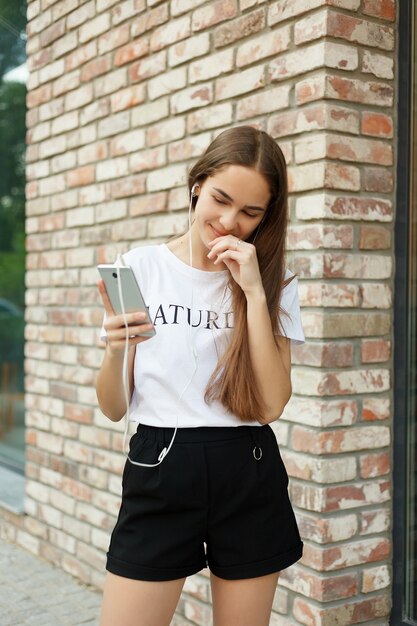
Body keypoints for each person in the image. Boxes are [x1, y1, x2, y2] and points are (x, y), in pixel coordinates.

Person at [96, 126, 305, 626]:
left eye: (250, 213)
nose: (230, 222)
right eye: (221, 199)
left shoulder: (276, 282)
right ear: (198, 185)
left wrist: (254, 293)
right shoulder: (140, 267)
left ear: (267, 217)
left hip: (247, 468)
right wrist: (116, 347)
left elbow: (272, 404)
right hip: (160, 462)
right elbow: (113, 407)